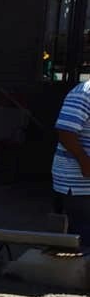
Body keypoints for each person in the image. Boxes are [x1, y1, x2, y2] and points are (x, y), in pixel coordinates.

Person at [53, 81, 90, 250]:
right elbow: (66, 132)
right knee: (83, 240)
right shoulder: (84, 92)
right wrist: (85, 162)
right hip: (79, 184)